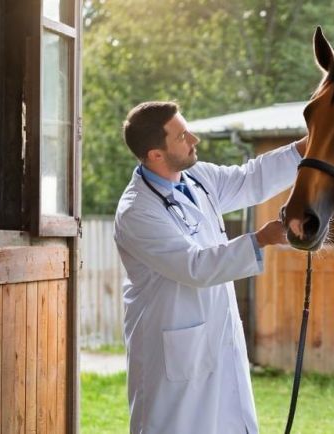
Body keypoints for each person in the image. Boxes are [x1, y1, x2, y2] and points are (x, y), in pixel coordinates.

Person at [113, 101, 305, 434]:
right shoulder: (137, 211)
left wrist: (308, 146)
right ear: (155, 154)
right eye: (182, 136)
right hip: (173, 349)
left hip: (215, 334)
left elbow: (251, 179)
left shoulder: (198, 178)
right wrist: (262, 239)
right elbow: (195, 267)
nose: (194, 139)